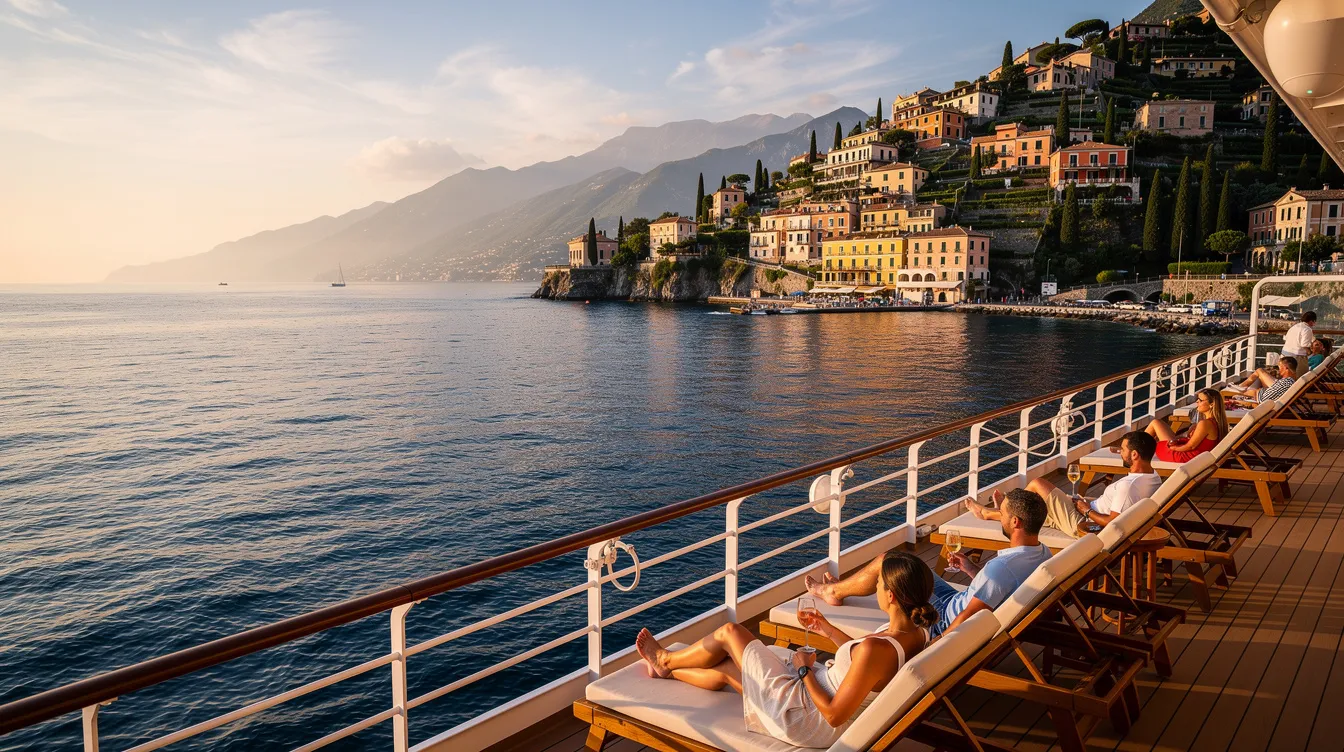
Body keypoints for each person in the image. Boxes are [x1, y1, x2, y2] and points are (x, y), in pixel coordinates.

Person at [633, 551, 938, 748]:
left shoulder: (878, 647)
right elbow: (864, 665)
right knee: (728, 668)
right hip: (816, 696)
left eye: (879, 585)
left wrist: (804, 668)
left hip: (806, 716)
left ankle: (665, 658)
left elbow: (833, 715)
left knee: (730, 633)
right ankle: (667, 673)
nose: (875, 589)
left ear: (892, 596)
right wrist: (826, 629)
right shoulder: (915, 634)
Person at [807, 490, 1051, 638]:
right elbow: (995, 590)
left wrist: (936, 645)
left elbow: (968, 615)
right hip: (955, 600)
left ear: (1016, 522)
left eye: (1002, 514)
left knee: (887, 562)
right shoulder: (1042, 553)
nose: (998, 516)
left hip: (942, 617)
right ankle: (840, 588)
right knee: (905, 561)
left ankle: (832, 592)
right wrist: (970, 569)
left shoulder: (1002, 568)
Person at [966, 431, 1161, 538]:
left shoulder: (1129, 486)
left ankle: (1008, 505)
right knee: (1039, 510)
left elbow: (1114, 523)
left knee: (1038, 484)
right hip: (1088, 514)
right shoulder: (1153, 477)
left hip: (1085, 525)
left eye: (1123, 449)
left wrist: (1086, 510)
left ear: (1134, 455)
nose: (1120, 452)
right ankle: (988, 513)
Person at [1146, 388, 1228, 462]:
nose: (1197, 402)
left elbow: (1191, 446)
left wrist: (1174, 448)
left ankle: (1135, 454)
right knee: (1156, 423)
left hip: (1186, 457)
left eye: (1200, 400)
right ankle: (1136, 452)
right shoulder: (1214, 422)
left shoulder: (1206, 424)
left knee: (1155, 423)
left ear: (1212, 404)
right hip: (1195, 456)